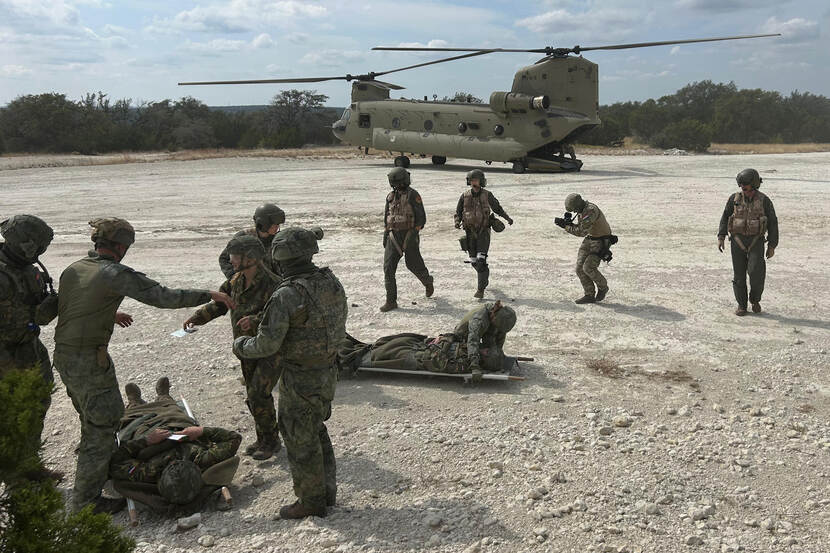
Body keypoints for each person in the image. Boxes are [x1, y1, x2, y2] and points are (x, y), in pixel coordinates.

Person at [53, 217, 235, 514]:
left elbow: (71, 304)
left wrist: (107, 312)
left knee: (93, 419)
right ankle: (85, 501)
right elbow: (162, 296)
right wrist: (210, 295)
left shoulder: (75, 268)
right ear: (121, 246)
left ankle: (98, 467)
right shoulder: (113, 273)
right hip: (88, 360)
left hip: (65, 356)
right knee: (103, 427)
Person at [233, 227, 347, 519]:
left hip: (300, 376)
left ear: (280, 257)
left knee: (299, 435)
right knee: (315, 429)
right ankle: (326, 492)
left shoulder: (287, 293)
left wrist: (241, 345)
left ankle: (311, 501)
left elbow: (267, 344)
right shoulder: (329, 281)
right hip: (327, 370)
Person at [184, 235, 282, 460]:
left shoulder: (273, 284)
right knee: (254, 395)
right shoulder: (236, 280)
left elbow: (280, 315)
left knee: (258, 393)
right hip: (246, 349)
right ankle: (264, 438)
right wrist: (197, 318)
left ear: (251, 258)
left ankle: (271, 441)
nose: (231, 260)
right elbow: (221, 304)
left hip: (270, 349)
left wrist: (255, 320)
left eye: (235, 256)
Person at [109, 377, 241, 512]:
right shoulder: (202, 459)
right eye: (180, 463)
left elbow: (115, 461)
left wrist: (146, 441)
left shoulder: (148, 472)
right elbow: (234, 438)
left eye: (171, 466)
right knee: (172, 410)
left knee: (133, 418)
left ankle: (134, 403)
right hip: (177, 425)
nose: (174, 462)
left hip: (146, 432)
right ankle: (163, 396)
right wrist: (201, 431)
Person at [0, 215, 63, 481]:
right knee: (11, 412)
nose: (40, 251)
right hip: (5, 354)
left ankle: (29, 465)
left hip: (29, 347)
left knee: (37, 404)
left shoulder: (28, 269)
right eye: (37, 246)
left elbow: (36, 307)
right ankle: (14, 478)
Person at [338, 301, 517, 379]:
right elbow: (472, 341)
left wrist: (496, 354)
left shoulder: (461, 363)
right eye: (488, 349)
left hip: (423, 354)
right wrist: (476, 366)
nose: (486, 348)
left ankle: (344, 350)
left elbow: (437, 361)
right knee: (400, 340)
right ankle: (345, 346)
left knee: (390, 349)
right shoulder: (480, 320)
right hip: (458, 338)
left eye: (487, 351)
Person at [717, 168, 779, 316]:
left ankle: (755, 299)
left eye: (747, 186)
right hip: (737, 241)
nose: (744, 189)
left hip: (756, 241)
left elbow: (773, 223)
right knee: (739, 276)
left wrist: (772, 245)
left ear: (754, 185)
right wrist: (721, 237)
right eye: (742, 186)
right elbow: (725, 217)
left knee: (756, 273)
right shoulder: (734, 199)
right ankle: (741, 305)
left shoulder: (764, 200)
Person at [381, 167, 434, 312]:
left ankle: (427, 281)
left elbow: (421, 219)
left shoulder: (413, 195)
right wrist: (386, 233)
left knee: (413, 264)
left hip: (409, 234)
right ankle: (391, 301)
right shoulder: (390, 197)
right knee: (388, 268)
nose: (396, 186)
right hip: (393, 236)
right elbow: (387, 216)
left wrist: (413, 234)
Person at [454, 169, 513, 298]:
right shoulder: (464, 196)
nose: (473, 183)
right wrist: (457, 221)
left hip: (483, 232)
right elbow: (458, 212)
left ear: (481, 181)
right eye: (472, 180)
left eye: (476, 180)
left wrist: (507, 218)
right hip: (470, 233)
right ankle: (484, 277)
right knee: (474, 261)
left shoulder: (487, 195)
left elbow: (497, 208)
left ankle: (480, 289)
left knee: (481, 260)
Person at [555, 193, 613, 304]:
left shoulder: (590, 211)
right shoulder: (582, 210)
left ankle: (603, 287)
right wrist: (568, 224)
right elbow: (581, 227)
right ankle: (589, 295)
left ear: (578, 205)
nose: (574, 212)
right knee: (579, 269)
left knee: (588, 267)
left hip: (601, 241)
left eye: (574, 209)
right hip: (590, 239)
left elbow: (581, 232)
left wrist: (566, 226)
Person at [219, 203, 285, 279]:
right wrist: (234, 277)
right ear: (263, 223)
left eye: (278, 224)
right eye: (274, 225)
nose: (277, 227)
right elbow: (224, 258)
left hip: (273, 282)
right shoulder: (244, 238)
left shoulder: (279, 239)